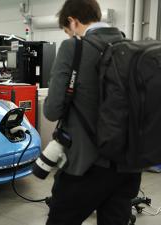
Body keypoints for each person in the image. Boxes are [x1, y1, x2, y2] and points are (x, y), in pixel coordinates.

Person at [43, 0, 141, 225]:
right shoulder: (133, 48)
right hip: (129, 166)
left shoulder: (73, 48)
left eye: (68, 31)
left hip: (85, 166)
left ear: (72, 21)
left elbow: (52, 110)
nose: (70, 36)